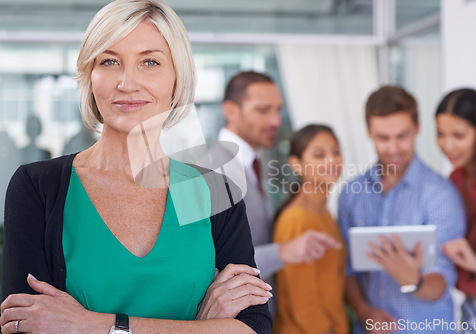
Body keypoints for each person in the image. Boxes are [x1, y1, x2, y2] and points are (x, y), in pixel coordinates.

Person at [0, 1, 272, 333]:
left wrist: (95, 325)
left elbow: (253, 328)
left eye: (150, 62)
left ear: (177, 77)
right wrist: (202, 326)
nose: (128, 83)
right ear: (90, 76)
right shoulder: (38, 187)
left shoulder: (214, 191)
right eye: (110, 61)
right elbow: (22, 324)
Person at [338, 85, 466, 334]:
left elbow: (442, 282)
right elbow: (347, 270)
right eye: (383, 138)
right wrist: (364, 311)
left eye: (402, 136)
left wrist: (413, 280)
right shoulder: (351, 194)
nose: (394, 148)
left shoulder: (441, 194)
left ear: (417, 129)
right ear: (369, 133)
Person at [218, 71, 339, 314]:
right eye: (263, 110)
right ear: (231, 111)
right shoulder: (213, 168)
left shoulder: (252, 164)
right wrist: (283, 252)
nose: (275, 121)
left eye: (278, 110)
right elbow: (211, 266)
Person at [436, 88, 476, 333]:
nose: (448, 145)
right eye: (440, 134)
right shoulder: (452, 180)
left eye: (459, 135)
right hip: (470, 309)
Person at [273, 124, 346, 334]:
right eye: (319, 155)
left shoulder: (325, 214)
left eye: (336, 152)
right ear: (297, 164)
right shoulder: (296, 219)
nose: (331, 160)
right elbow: (303, 303)